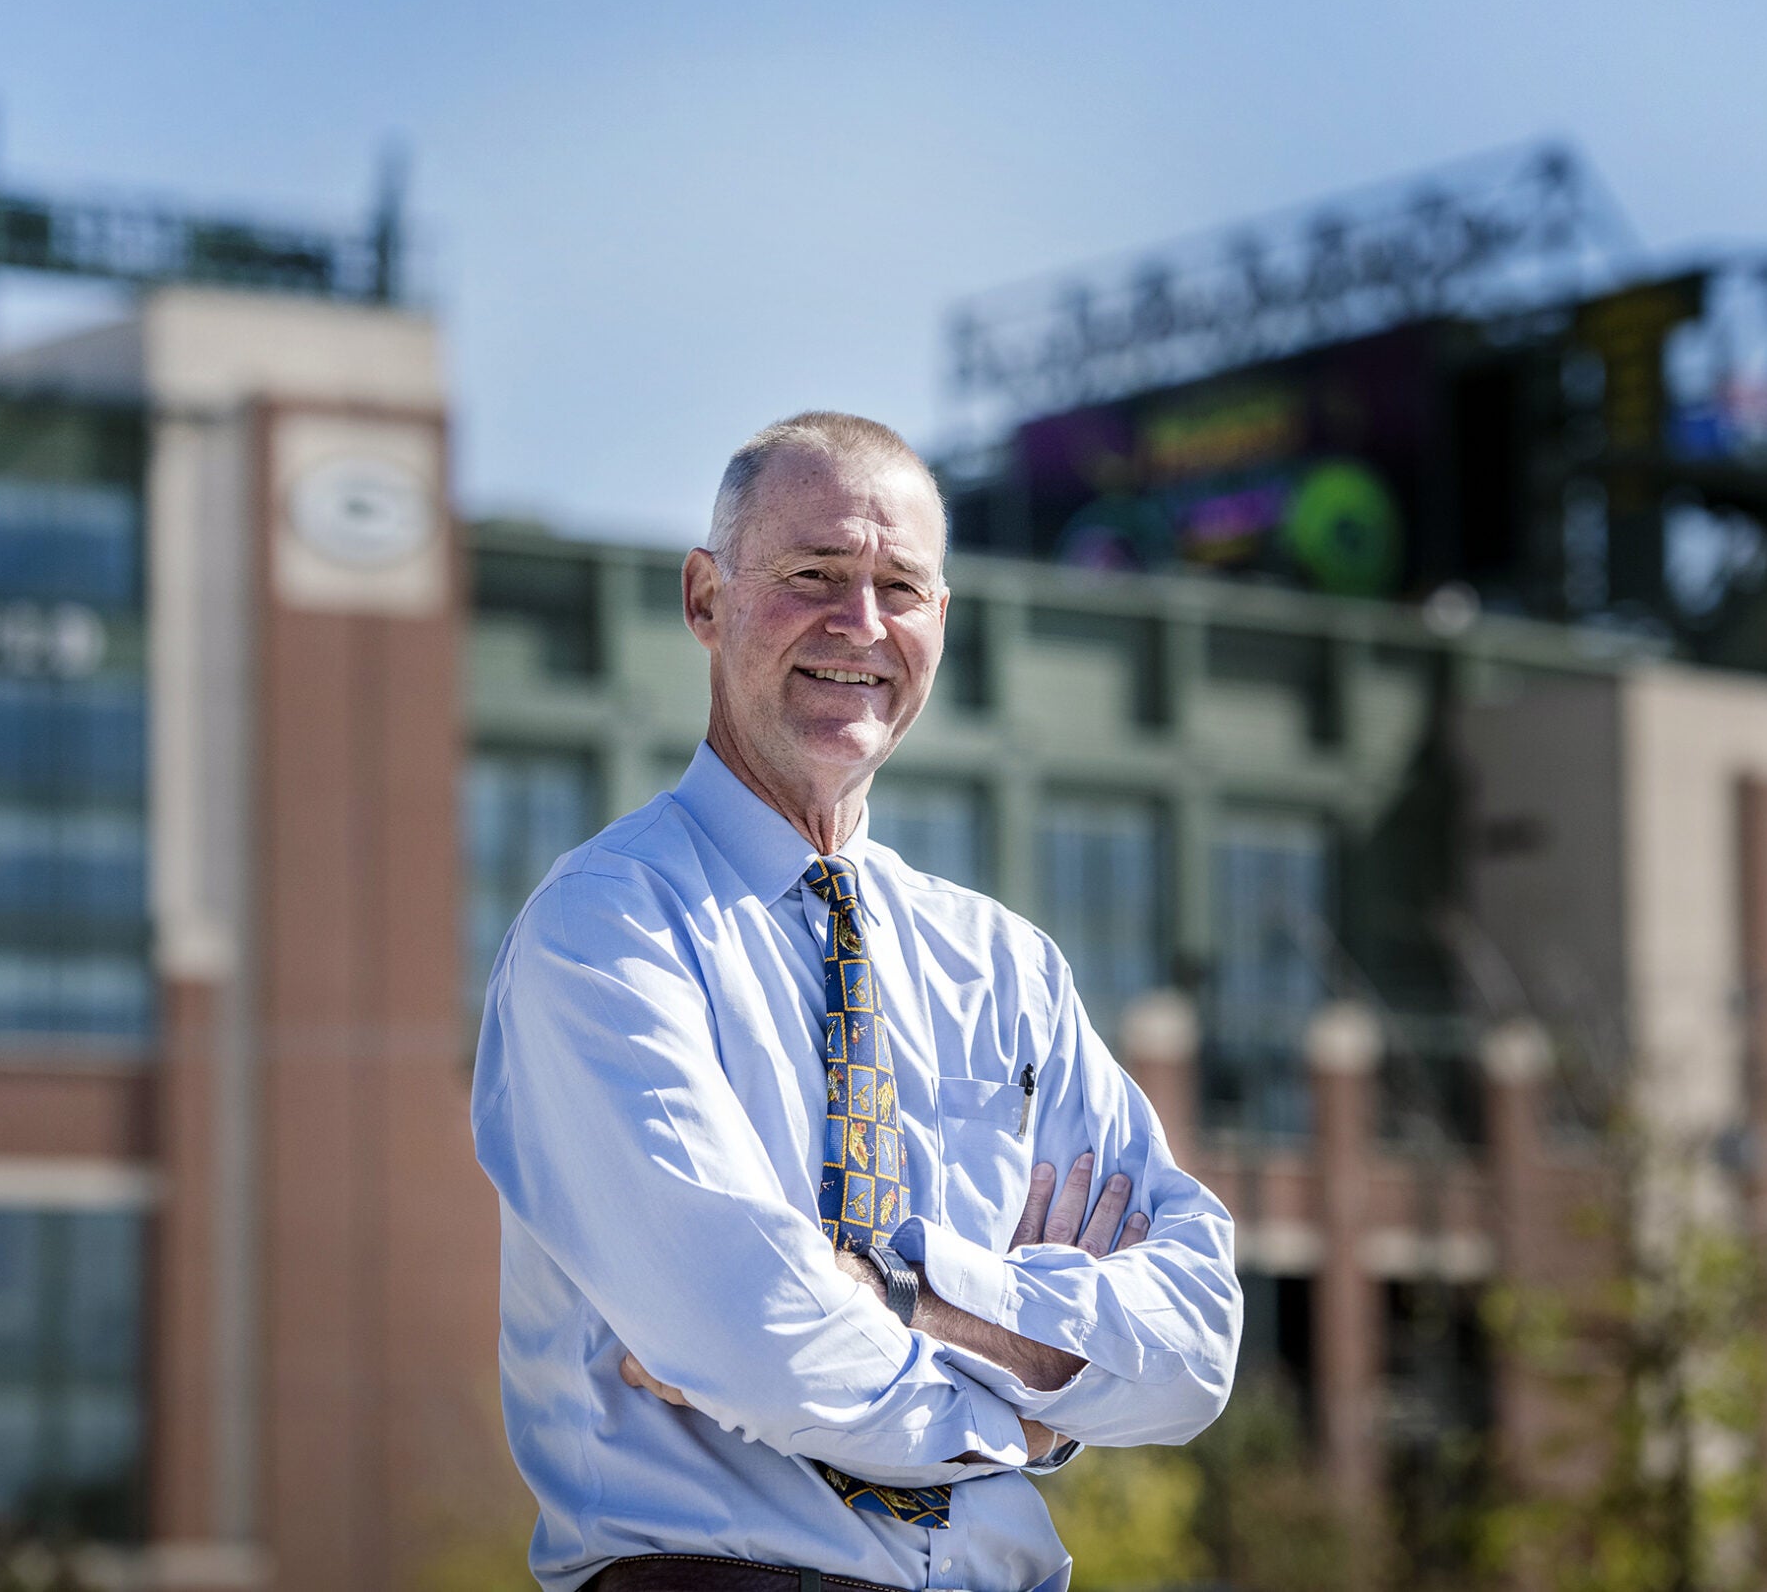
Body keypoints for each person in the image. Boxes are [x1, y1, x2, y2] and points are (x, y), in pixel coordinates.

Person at [471, 412, 1241, 1592]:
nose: (861, 626)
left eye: (901, 587)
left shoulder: (1006, 969)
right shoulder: (606, 933)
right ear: (704, 599)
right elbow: (761, 1341)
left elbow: (1194, 1346)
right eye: (814, 576)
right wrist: (1037, 1413)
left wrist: (905, 1296)